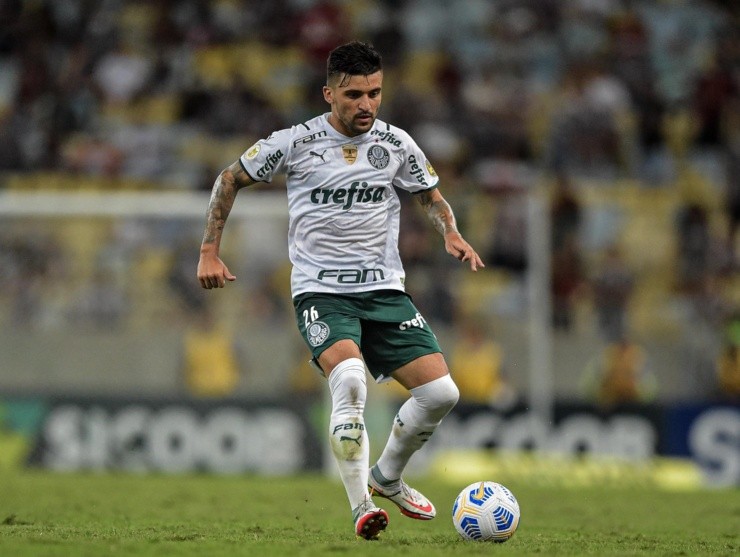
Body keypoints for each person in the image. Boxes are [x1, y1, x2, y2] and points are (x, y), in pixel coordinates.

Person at [197, 41, 484, 540]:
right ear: (329, 93)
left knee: (441, 394)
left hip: (384, 290)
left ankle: (387, 477)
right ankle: (361, 507)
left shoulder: (396, 143)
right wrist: (209, 250)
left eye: (374, 93)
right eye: (354, 95)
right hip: (321, 292)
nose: (366, 104)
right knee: (350, 380)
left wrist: (450, 232)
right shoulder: (295, 142)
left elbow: (430, 196)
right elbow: (229, 178)